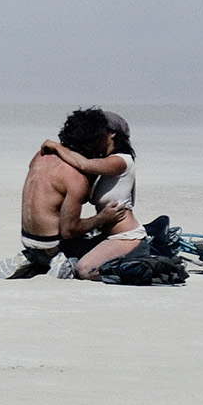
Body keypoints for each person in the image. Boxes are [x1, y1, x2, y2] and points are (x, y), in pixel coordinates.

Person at [0, 108, 127, 279]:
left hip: (29, 240)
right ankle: (60, 262)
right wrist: (103, 218)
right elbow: (69, 230)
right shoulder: (75, 176)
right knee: (106, 245)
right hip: (53, 243)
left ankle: (32, 258)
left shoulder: (40, 155)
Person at [39, 110, 143, 281]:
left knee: (85, 270)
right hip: (106, 235)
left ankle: (146, 267)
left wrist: (58, 147)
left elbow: (83, 164)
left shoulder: (121, 161)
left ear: (112, 134)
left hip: (125, 236)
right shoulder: (105, 164)